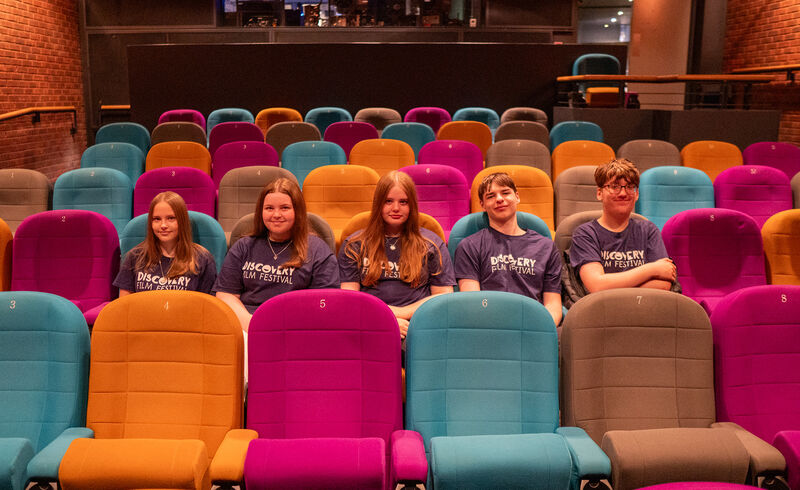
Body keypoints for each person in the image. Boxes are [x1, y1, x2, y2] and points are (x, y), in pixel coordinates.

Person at [338, 171, 455, 338]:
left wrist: (399, 314)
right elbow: (349, 300)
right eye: (388, 201)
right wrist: (385, 319)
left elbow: (443, 296)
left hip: (417, 323)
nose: (395, 208)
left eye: (403, 202)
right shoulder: (354, 245)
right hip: (369, 321)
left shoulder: (431, 244)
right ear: (378, 204)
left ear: (412, 205)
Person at [213, 177, 339, 331]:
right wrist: (254, 325)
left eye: (285, 208)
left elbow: (323, 302)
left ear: (298, 211)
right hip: (247, 326)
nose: (276, 214)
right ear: (261, 211)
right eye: (269, 208)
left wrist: (281, 328)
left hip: (295, 328)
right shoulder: (244, 246)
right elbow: (226, 294)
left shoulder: (318, 250)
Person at [454, 172, 563, 325]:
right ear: (482, 204)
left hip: (534, 326)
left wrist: (542, 330)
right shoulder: (469, 246)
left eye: (505, 193)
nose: (499, 199)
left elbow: (553, 305)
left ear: (517, 197)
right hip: (489, 327)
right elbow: (473, 304)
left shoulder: (546, 246)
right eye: (491, 196)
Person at [569, 158, 676, 293]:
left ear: (637, 194)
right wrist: (651, 269)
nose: (623, 193)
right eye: (614, 186)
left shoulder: (648, 231)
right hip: (602, 312)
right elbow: (597, 286)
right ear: (599, 193)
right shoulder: (585, 234)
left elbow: (663, 285)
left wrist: (611, 285)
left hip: (645, 309)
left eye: (630, 187)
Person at [114, 191, 217, 296]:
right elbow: (125, 305)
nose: (163, 225)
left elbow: (207, 306)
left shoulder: (203, 259)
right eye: (157, 219)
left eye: (171, 218)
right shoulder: (135, 257)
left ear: (182, 221)